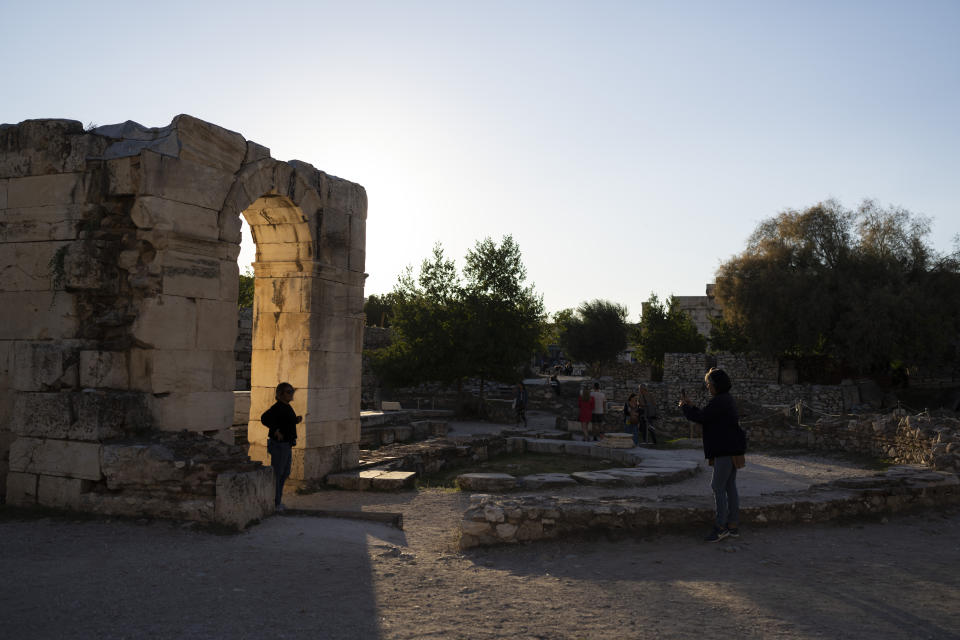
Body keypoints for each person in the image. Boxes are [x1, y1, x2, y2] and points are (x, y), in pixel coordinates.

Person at [679, 368, 747, 542]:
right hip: (733, 448)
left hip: (724, 450)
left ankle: (720, 527)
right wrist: (692, 406)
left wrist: (686, 408)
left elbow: (702, 418)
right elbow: (708, 415)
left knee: (717, 486)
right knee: (730, 486)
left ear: (716, 385)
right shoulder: (725, 400)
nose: (708, 387)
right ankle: (733, 525)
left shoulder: (719, 401)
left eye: (709, 384)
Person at [260, 382, 302, 511]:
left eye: (292, 391)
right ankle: (275, 503)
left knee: (285, 473)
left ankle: (277, 500)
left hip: (286, 444)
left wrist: (296, 420)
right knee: (278, 473)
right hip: (279, 445)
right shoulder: (277, 407)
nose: (291, 394)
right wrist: (276, 430)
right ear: (280, 394)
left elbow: (285, 421)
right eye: (288, 392)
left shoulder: (286, 407)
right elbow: (264, 418)